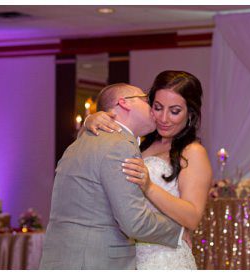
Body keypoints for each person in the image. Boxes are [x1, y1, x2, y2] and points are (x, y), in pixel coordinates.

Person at [41, 83, 185, 269]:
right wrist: (179, 230)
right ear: (124, 103)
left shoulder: (77, 144)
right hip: (96, 261)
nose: (153, 109)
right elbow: (134, 223)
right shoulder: (119, 145)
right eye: (146, 100)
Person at [79, 71, 213, 269]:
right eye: (158, 108)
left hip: (164, 258)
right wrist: (90, 121)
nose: (163, 118)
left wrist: (149, 186)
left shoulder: (193, 152)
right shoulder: (138, 141)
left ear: (190, 114)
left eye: (175, 111)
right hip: (127, 255)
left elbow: (192, 218)